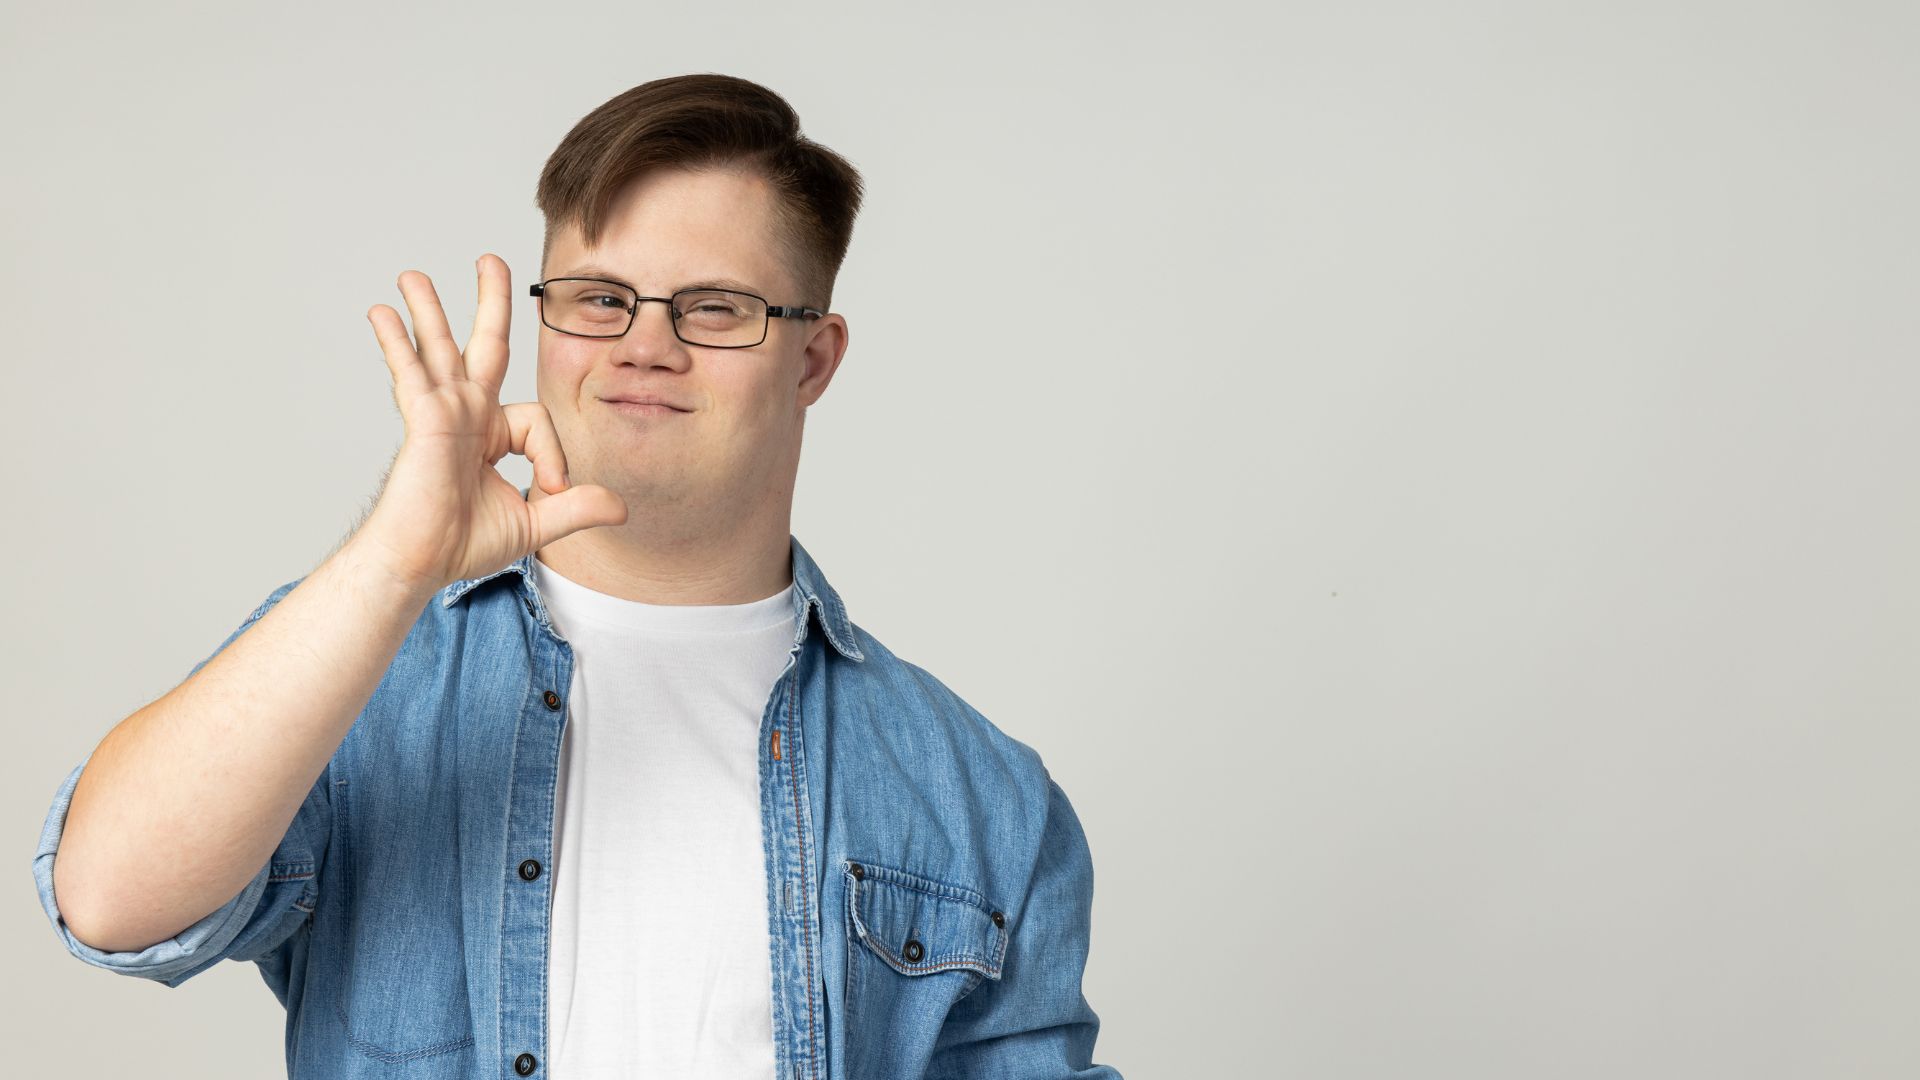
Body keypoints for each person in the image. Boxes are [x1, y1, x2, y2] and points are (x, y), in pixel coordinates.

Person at [30, 73, 1121, 1080]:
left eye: (715, 308)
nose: (645, 345)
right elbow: (109, 902)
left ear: (815, 358)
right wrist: (397, 559)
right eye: (600, 297)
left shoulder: (982, 797)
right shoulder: (367, 666)